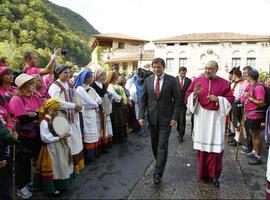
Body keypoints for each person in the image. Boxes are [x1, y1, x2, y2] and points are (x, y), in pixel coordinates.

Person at [185, 60, 234, 187]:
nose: (207, 71)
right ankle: (203, 174)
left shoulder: (224, 83)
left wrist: (217, 99)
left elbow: (230, 99)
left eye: (210, 69)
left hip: (216, 119)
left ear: (216, 69)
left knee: (216, 151)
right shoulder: (197, 81)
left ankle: (214, 176)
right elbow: (188, 97)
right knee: (203, 150)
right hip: (202, 118)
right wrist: (195, 93)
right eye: (206, 68)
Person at [138, 58, 180, 184]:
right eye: (154, 67)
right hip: (152, 119)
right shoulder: (148, 81)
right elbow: (143, 100)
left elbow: (178, 101)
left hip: (166, 120)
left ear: (163, 67)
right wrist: (141, 116)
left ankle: (158, 173)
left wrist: (174, 117)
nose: (156, 69)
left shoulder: (172, 80)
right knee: (155, 145)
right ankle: (160, 162)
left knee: (162, 145)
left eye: (159, 67)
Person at [9, 73, 44, 199]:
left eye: (33, 82)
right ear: (23, 86)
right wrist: (35, 115)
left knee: (33, 161)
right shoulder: (16, 99)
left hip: (36, 134)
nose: (34, 85)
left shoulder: (35, 97)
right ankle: (21, 187)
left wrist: (32, 114)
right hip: (23, 137)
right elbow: (22, 118)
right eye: (30, 83)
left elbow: (41, 111)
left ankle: (29, 182)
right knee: (23, 163)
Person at [33, 98, 74, 196]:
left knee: (61, 165)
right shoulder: (44, 121)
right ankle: (51, 189)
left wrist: (67, 133)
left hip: (60, 145)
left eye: (57, 109)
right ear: (48, 109)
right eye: (54, 110)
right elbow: (45, 138)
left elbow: (66, 127)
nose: (57, 112)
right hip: (51, 148)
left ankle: (61, 185)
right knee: (54, 167)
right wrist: (58, 137)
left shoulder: (58, 118)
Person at [48, 64, 84, 174]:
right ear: (58, 73)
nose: (68, 74)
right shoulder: (55, 86)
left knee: (75, 140)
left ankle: (76, 166)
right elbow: (57, 102)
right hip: (62, 118)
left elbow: (76, 97)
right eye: (65, 72)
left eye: (69, 72)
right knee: (68, 141)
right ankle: (68, 169)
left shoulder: (69, 84)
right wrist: (73, 106)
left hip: (73, 117)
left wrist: (78, 106)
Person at [74, 70, 102, 162]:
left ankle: (94, 153)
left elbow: (99, 99)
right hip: (85, 114)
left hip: (92, 113)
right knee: (88, 134)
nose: (92, 78)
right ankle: (89, 156)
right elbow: (89, 101)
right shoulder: (80, 88)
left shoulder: (91, 88)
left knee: (94, 133)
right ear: (85, 78)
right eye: (90, 77)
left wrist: (95, 103)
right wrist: (94, 103)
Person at [243, 69, 265, 165]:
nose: (245, 77)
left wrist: (249, 98)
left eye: (247, 75)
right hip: (250, 114)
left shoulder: (258, 87)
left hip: (255, 115)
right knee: (252, 133)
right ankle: (254, 152)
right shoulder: (252, 86)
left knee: (256, 135)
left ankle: (258, 156)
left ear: (251, 77)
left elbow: (261, 102)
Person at [91, 68, 113, 151]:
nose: (103, 76)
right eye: (102, 75)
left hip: (105, 106)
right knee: (100, 125)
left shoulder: (103, 85)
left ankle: (106, 143)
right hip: (98, 107)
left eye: (104, 74)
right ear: (97, 75)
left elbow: (105, 94)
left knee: (106, 125)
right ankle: (100, 146)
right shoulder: (93, 85)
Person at [176, 66, 191, 142]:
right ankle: (179, 131)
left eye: (184, 74)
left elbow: (190, 91)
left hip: (183, 104)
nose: (183, 75)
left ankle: (181, 135)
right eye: (182, 73)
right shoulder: (174, 80)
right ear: (179, 72)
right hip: (175, 104)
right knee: (177, 119)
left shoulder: (189, 81)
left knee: (182, 119)